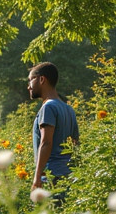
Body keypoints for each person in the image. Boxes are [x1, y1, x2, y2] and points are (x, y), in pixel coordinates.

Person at [28, 62, 79, 191]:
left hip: (51, 176)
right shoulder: (68, 109)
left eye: (30, 80)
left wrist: (37, 176)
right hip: (68, 175)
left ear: (41, 79)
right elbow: (76, 144)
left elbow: (46, 142)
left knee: (49, 211)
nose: (29, 87)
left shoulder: (49, 107)